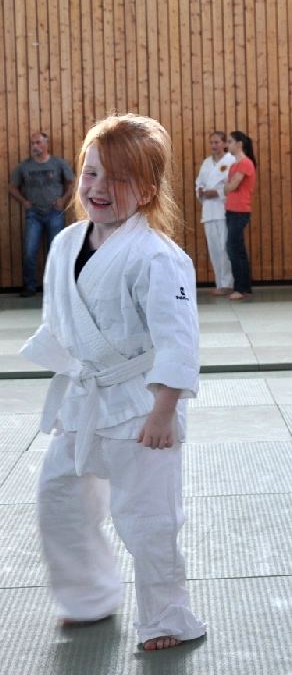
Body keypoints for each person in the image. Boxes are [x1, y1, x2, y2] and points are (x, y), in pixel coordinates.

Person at [21, 114, 206, 651]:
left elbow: (178, 341)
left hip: (141, 406)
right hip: (84, 402)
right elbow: (62, 320)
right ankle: (89, 597)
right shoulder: (66, 243)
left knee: (148, 520)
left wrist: (164, 413)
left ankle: (169, 618)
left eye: (118, 179)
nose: (98, 188)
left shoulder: (159, 257)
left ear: (147, 191)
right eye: (92, 173)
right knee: (59, 499)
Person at [9, 132, 76, 297]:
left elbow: (73, 182)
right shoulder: (24, 166)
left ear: (46, 144)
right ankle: (29, 287)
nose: (35, 146)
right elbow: (12, 187)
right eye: (33, 143)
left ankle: (56, 286)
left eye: (38, 143)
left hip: (55, 213)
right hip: (34, 214)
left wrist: (63, 200)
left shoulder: (58, 163)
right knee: (29, 251)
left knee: (56, 251)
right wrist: (24, 202)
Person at [195, 131, 235, 295]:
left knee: (225, 248)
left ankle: (228, 283)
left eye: (217, 142)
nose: (214, 145)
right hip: (209, 210)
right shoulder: (206, 162)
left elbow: (233, 184)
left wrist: (218, 192)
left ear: (224, 144)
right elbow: (199, 181)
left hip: (224, 209)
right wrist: (200, 190)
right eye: (211, 142)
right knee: (214, 250)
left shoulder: (231, 161)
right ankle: (220, 283)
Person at [224, 130, 256, 301]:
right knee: (239, 250)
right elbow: (226, 188)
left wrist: (229, 185)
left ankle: (240, 288)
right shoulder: (234, 166)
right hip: (231, 209)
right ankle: (245, 287)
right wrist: (228, 186)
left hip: (240, 210)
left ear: (239, 144)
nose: (227, 145)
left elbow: (232, 186)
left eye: (230, 142)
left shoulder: (245, 163)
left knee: (233, 248)